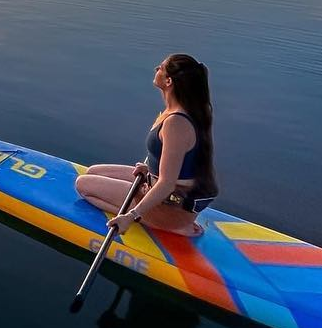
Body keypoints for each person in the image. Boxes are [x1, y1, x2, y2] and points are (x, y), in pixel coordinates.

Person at [74, 54, 219, 237]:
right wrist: (149, 168)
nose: (156, 69)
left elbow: (166, 184)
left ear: (168, 81)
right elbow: (181, 161)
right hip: (162, 188)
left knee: (83, 185)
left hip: (171, 207)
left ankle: (167, 224)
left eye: (160, 68)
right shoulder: (182, 110)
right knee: (93, 171)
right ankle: (159, 215)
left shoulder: (177, 123)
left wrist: (130, 215)